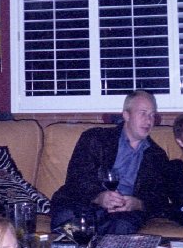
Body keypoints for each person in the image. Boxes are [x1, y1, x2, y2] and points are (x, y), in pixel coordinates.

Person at [50, 90, 170, 234]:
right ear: (126, 115)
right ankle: (85, 239)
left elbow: (160, 198)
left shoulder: (157, 155)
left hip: (122, 214)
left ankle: (95, 242)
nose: (149, 121)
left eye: (152, 115)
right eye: (143, 113)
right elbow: (77, 177)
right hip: (86, 204)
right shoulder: (95, 138)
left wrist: (137, 203)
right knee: (65, 217)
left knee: (123, 227)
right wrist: (99, 197)